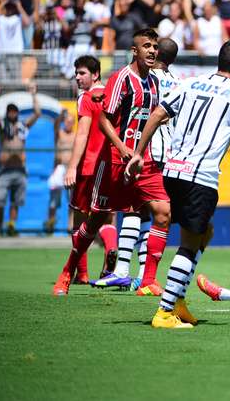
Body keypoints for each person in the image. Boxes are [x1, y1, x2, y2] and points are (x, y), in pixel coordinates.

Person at [125, 38, 230, 329]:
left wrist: (138, 153)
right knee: (191, 243)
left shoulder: (190, 83)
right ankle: (165, 312)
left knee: (205, 232)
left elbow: (157, 115)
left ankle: (177, 300)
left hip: (172, 170)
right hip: (200, 177)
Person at [52, 29, 171, 297]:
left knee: (163, 212)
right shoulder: (121, 79)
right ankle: (68, 271)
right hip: (116, 161)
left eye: (155, 47)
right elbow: (104, 119)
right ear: (135, 50)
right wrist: (123, 148)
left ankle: (148, 281)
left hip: (143, 160)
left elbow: (150, 119)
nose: (152, 51)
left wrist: (142, 149)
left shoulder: (153, 83)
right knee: (95, 221)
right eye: (146, 46)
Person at [93, 38, 181, 292]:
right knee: (155, 214)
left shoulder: (147, 79)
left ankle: (123, 269)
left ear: (157, 53)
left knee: (133, 210)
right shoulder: (175, 82)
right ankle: (144, 276)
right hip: (167, 152)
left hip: (143, 151)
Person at [57, 56, 118, 287]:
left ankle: (81, 273)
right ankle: (111, 250)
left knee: (79, 219)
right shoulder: (112, 95)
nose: (77, 77)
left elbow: (82, 134)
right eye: (76, 73)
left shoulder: (86, 97)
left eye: (82, 73)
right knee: (106, 215)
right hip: (110, 165)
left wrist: (72, 166)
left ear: (95, 75)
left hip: (88, 166)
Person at [0, 83, 40, 235]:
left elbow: (37, 113)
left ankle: (11, 226)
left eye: (14, 111)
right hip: (4, 170)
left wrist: (33, 94)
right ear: (7, 113)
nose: (12, 114)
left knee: (16, 201)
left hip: (20, 169)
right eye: (10, 111)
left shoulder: (22, 125)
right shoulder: (2, 126)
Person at [46, 109, 75, 233]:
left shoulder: (76, 135)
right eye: (66, 121)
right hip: (59, 167)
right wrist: (60, 116)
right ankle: (50, 224)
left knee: (72, 200)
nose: (68, 124)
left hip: (70, 168)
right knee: (54, 198)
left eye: (70, 122)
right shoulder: (59, 133)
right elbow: (55, 126)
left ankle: (70, 225)